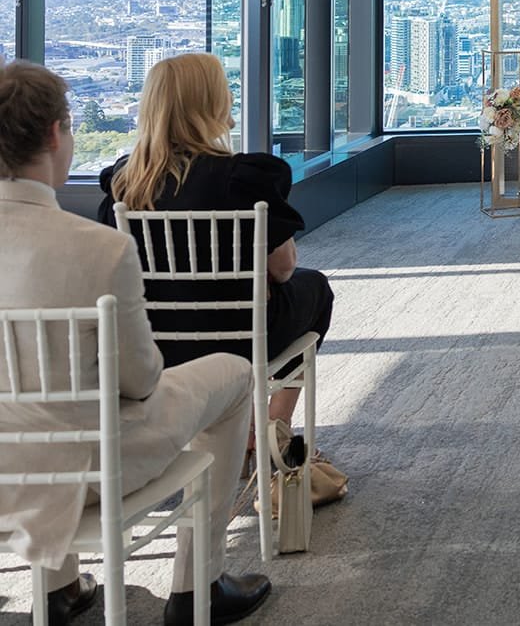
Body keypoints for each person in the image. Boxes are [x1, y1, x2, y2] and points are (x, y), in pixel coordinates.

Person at [0, 61, 270, 626]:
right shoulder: (99, 248)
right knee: (234, 372)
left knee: (39, 406)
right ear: (55, 134)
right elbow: (141, 380)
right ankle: (198, 585)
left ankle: (60, 587)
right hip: (89, 470)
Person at [96, 53, 333, 431]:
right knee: (316, 288)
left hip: (153, 340)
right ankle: (274, 425)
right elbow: (284, 268)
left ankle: (248, 426)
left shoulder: (124, 183)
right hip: (240, 336)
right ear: (212, 103)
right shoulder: (242, 177)